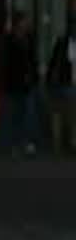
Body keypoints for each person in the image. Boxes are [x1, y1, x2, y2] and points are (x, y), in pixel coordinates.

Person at [4, 11, 39, 156]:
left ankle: (27, 142)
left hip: (28, 83)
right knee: (15, 115)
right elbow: (8, 63)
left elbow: (32, 60)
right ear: (18, 23)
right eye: (24, 21)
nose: (26, 24)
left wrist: (33, 76)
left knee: (29, 114)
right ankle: (15, 144)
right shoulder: (10, 40)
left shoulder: (30, 39)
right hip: (14, 83)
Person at [46, 19, 75, 155]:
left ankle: (71, 142)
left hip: (71, 85)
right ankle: (61, 144)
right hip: (64, 84)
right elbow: (54, 62)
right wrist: (50, 80)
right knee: (62, 115)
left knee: (71, 115)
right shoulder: (62, 43)